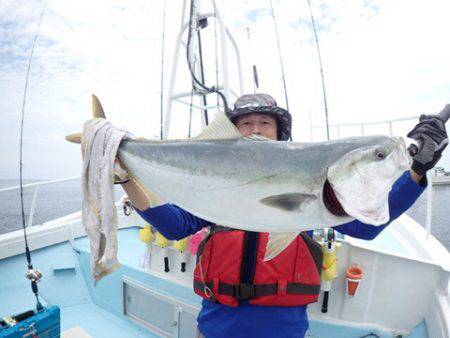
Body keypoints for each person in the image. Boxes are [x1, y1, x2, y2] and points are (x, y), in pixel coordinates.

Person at [116, 94, 447, 338]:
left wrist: (417, 170)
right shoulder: (219, 193)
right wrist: (126, 176)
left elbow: (366, 228)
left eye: (265, 123)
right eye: (246, 124)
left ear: (279, 134)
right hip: (215, 330)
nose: (255, 129)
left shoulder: (319, 197)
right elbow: (175, 226)